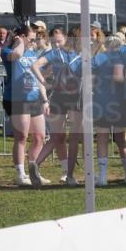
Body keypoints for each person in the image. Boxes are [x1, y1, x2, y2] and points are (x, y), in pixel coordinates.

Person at [30, 26, 82, 184]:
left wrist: (45, 83)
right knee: (73, 138)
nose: (57, 44)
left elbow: (34, 66)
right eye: (54, 42)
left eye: (58, 41)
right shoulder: (78, 54)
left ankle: (35, 163)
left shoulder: (53, 53)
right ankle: (70, 176)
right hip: (74, 97)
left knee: (54, 137)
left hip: (58, 96)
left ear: (66, 37)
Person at [4, 26, 50, 187]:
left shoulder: (33, 54)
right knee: (22, 136)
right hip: (18, 100)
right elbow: (17, 54)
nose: (33, 42)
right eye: (30, 39)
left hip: (35, 99)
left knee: (40, 137)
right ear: (21, 37)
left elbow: (39, 78)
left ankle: (33, 171)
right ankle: (21, 174)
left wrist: (45, 100)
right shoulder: (7, 51)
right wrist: (19, 41)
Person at [91, 30, 126, 186]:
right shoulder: (122, 58)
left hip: (101, 103)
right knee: (121, 140)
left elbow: (91, 78)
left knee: (102, 139)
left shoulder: (98, 57)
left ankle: (102, 177)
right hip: (118, 103)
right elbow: (119, 77)